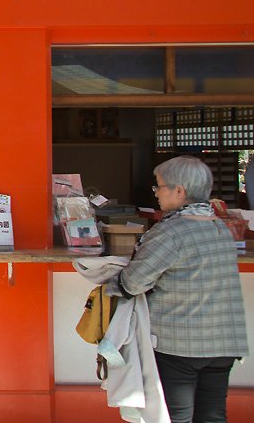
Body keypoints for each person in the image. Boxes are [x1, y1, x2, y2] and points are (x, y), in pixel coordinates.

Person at [116, 155, 248, 423]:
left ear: (179, 191)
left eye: (159, 186)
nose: (156, 193)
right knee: (213, 416)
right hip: (223, 343)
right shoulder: (221, 229)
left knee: (176, 417)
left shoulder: (170, 232)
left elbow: (132, 283)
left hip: (179, 343)